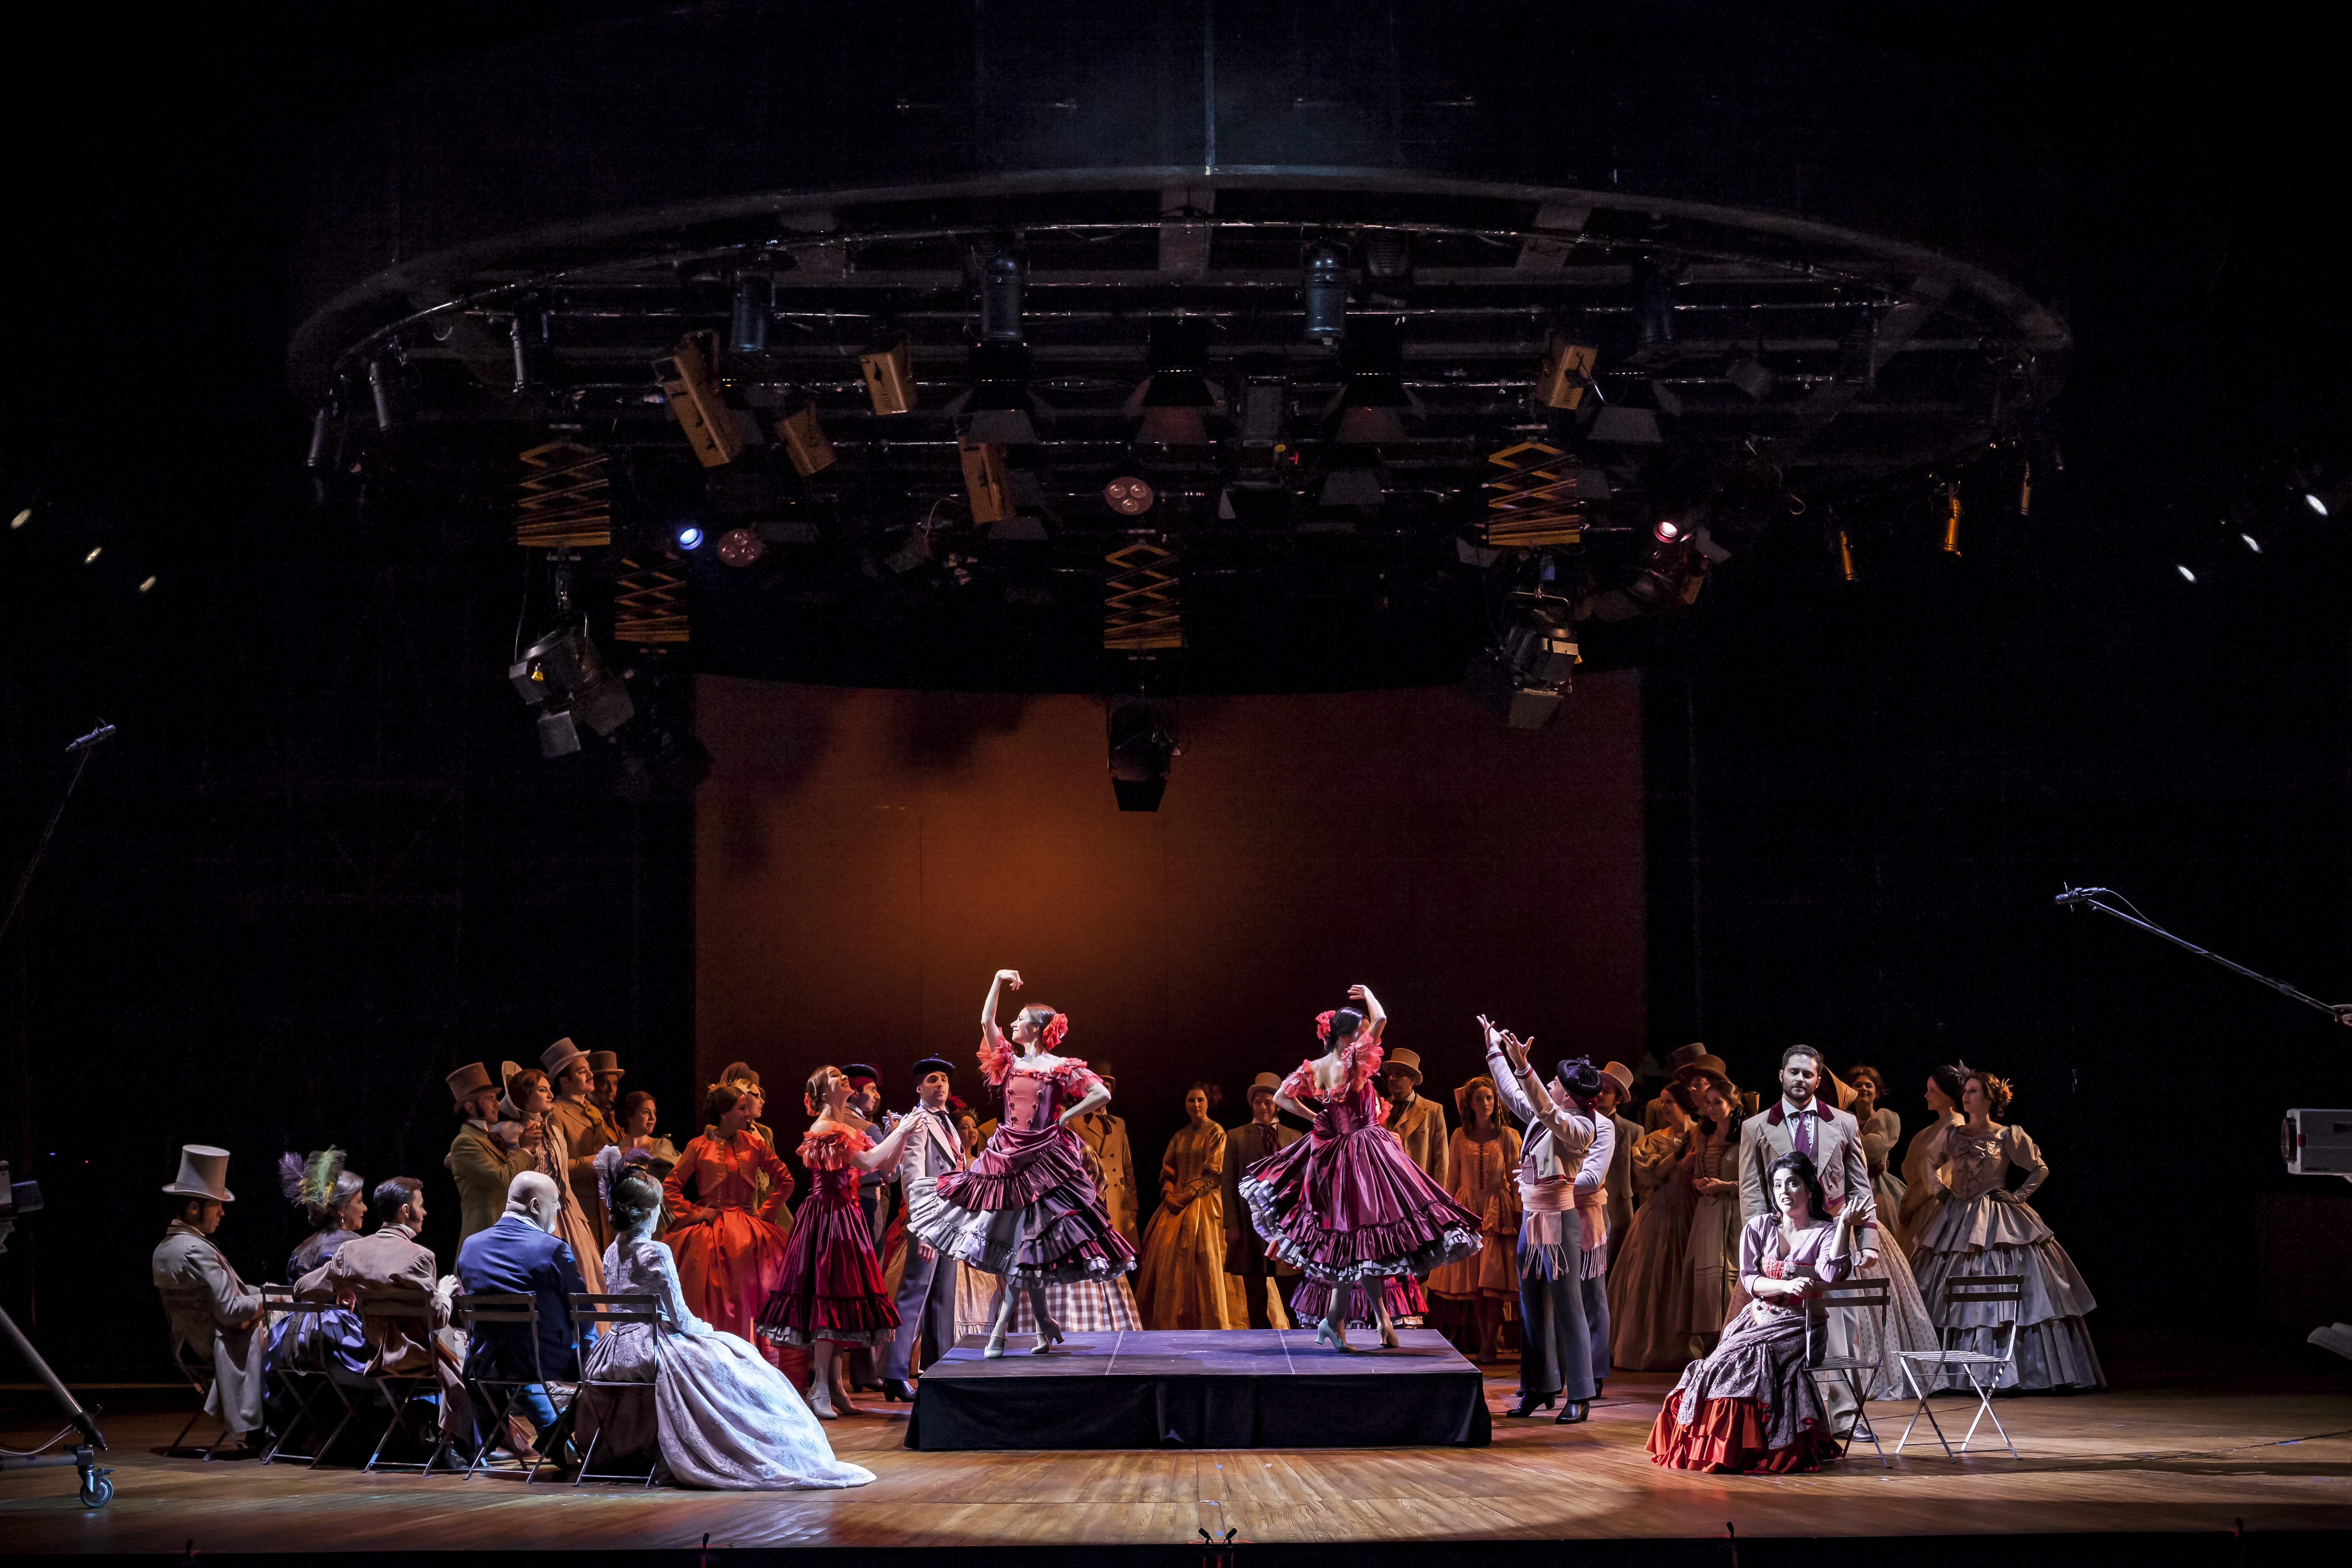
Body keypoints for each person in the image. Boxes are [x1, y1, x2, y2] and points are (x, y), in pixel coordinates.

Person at [576, 1170, 876, 1488]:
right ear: (650, 1213)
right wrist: (708, 1332)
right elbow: (681, 1319)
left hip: (612, 1349)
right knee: (737, 1356)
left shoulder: (612, 1250)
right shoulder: (656, 1252)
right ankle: (754, 1444)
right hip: (650, 1346)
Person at [905, 968, 1138, 1359]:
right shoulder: (1010, 1062)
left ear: (1036, 1029)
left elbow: (1101, 1094)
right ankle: (1045, 1324)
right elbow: (987, 1021)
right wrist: (997, 980)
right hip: (1006, 1157)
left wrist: (1067, 1117)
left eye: (1020, 1020)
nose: (1013, 1024)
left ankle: (1001, 1331)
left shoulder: (1060, 1066)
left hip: (1045, 1160)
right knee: (1020, 1247)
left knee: (1027, 1246)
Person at [1241, 985, 1481, 1352]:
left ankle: (1358, 1321)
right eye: (1360, 1031)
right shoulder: (1351, 1060)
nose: (1366, 1035)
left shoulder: (1315, 1068)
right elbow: (1382, 1017)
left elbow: (1280, 1097)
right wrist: (1369, 993)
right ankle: (1344, 1321)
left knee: (1356, 1242)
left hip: (1337, 1156)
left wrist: (1313, 1116)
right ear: (1345, 1036)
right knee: (1360, 1238)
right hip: (1364, 1153)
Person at [1737, 1044, 1935, 1403]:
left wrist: (1869, 1240)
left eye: (1808, 1074)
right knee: (1779, 1327)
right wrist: (1764, 1242)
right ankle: (1788, 1409)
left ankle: (1846, 1415)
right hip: (1784, 1241)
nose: (1800, 1079)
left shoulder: (1843, 1123)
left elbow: (1860, 1185)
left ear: (1818, 1080)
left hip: (1834, 1235)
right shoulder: (1757, 1127)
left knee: (1844, 1327)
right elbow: (1752, 1191)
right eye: (1794, 1072)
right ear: (1781, 1076)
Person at [1646, 1151, 1856, 1473]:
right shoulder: (1759, 1227)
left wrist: (1844, 1225)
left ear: (1809, 1189)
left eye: (1793, 1183)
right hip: (1757, 1318)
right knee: (1717, 1365)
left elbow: (1832, 1274)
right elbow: (1750, 1280)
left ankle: (1747, 1451)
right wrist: (1785, 1285)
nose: (1785, 1191)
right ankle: (1718, 1448)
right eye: (1778, 1185)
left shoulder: (1824, 1233)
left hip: (1801, 1326)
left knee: (1751, 1362)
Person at [1909, 1068, 2105, 1390]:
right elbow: (1929, 1161)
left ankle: (2017, 1370)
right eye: (1965, 1091)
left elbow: (2039, 1167)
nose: (1966, 1096)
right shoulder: (1952, 1134)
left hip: (1996, 1215)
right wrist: (1939, 1190)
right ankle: (1949, 1371)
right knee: (1943, 1283)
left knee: (2010, 1287)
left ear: (1990, 1099)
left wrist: (2017, 1196)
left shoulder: (2007, 1135)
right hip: (1955, 1218)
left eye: (1974, 1091)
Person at [756, 1066, 919, 1416]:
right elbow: (869, 1160)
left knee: (841, 1297)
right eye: (833, 1075)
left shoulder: (846, 1128)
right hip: (827, 1217)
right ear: (821, 1093)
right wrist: (903, 1130)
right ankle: (819, 1389)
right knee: (828, 1295)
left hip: (847, 1214)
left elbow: (887, 1170)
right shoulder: (826, 1128)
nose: (842, 1076)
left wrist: (899, 1135)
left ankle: (835, 1388)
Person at [1480, 1022, 1610, 1421]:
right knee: (1531, 1305)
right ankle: (1539, 1387)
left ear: (1567, 1095)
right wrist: (1495, 1052)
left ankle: (1581, 1394)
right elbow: (1514, 1096)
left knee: (1569, 1307)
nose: (1549, 1085)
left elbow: (1548, 1112)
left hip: (1560, 1221)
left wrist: (1525, 1068)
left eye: (1554, 1082)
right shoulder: (1545, 1116)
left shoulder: (1581, 1127)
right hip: (1532, 1220)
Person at [1608, 1060, 1741, 1368]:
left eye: (1670, 1102)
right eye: (1662, 1103)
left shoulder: (1706, 1132)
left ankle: (1707, 1347)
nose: (1664, 1108)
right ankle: (1654, 1348)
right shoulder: (1656, 1139)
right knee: (1655, 1275)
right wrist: (1678, 1157)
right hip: (1664, 1209)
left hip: (1700, 1209)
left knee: (1700, 1276)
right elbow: (1647, 1175)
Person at [456, 1172, 590, 1468]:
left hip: (486, 1362)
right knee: (607, 1365)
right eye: (555, 1203)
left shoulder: (471, 1246)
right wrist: (589, 1351)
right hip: (545, 1361)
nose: (559, 1209)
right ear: (535, 1205)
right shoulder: (551, 1248)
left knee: (517, 1351)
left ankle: (552, 1442)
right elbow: (583, 1309)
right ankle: (562, 1440)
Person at [322, 1177, 469, 1443]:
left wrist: (342, 1287)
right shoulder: (420, 1256)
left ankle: (480, 1441)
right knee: (473, 1354)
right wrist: (444, 1293)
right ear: (406, 1211)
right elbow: (437, 1318)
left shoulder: (351, 1250)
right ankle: (474, 1443)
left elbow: (303, 1287)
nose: (425, 1212)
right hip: (416, 1358)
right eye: (421, 1206)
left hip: (374, 1355)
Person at [663, 1080, 797, 1364]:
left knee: (755, 1290)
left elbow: (786, 1180)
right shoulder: (698, 1146)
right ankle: (711, 1359)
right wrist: (693, 1213)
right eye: (742, 1109)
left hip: (748, 1228)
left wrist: (765, 1211)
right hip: (710, 1229)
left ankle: (755, 1359)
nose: (748, 1114)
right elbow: (670, 1187)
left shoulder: (755, 1143)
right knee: (709, 1293)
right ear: (724, 1113)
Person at [152, 1145, 267, 1458]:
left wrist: (265, 1292)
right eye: (217, 1206)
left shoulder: (165, 1248)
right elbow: (230, 1310)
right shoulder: (197, 1250)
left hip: (189, 1347)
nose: (222, 1213)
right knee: (296, 1341)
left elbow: (223, 1295)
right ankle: (279, 1431)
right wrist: (268, 1301)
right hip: (218, 1346)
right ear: (194, 1208)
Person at [883, 1056, 967, 1402]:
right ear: (919, 1088)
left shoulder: (948, 1123)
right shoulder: (918, 1121)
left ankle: (938, 1369)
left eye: (944, 1079)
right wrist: (924, 1225)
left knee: (943, 1296)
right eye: (933, 1080)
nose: (940, 1084)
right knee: (914, 1291)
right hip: (930, 1219)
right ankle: (893, 1373)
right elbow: (914, 1178)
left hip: (951, 1219)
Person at [1426, 1074, 1520, 1364]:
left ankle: (1491, 1341)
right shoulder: (1459, 1135)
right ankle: (1485, 1340)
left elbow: (1516, 1177)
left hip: (1497, 1211)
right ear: (1470, 1104)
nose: (1485, 1103)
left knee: (1493, 1281)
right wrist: (1446, 1213)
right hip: (1467, 1209)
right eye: (1480, 1099)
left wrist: (1519, 1211)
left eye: (1490, 1098)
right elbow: (1452, 1177)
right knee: (1475, 1283)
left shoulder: (1507, 1135)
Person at [1136, 1083, 1239, 1330]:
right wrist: (1169, 1193)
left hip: (1205, 1202)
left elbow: (1215, 1174)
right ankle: (1169, 1321)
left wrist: (1187, 1196)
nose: (1196, 1105)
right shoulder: (1180, 1135)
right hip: (1175, 1202)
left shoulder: (1216, 1132)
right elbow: (1169, 1169)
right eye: (1191, 1100)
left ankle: (1211, 1320)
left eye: (1200, 1100)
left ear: (1208, 1102)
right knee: (1166, 1258)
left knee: (1207, 1257)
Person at [504, 1064, 606, 1295]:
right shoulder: (510, 1131)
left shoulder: (555, 1133)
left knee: (583, 1268)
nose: (550, 1094)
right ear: (525, 1096)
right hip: (533, 1213)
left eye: (549, 1089)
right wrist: (524, 1147)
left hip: (564, 1210)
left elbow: (563, 1176)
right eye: (542, 1090)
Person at [1222, 1073, 1302, 1330]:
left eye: (1269, 1102)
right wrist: (1232, 1224)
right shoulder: (1237, 1136)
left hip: (1285, 1224)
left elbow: (1302, 1181)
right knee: (1255, 1293)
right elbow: (1228, 1182)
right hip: (1251, 1223)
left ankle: (1299, 1337)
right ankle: (1261, 1339)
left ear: (1278, 1105)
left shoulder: (1294, 1136)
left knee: (1291, 1289)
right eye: (1258, 1103)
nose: (1263, 1107)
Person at [446, 1063, 535, 1250]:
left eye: (496, 1098)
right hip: (486, 1234)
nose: (498, 1104)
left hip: (505, 1232)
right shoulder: (465, 1142)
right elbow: (502, 1179)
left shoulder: (489, 1138)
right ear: (470, 1108)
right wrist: (525, 1149)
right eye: (489, 1099)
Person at [543, 1038, 616, 1256]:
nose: (591, 1075)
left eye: (589, 1069)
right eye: (582, 1071)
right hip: (580, 1207)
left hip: (604, 1205)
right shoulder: (555, 1114)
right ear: (565, 1081)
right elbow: (558, 1167)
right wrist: (598, 1161)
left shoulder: (593, 1111)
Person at [1893, 1064, 1965, 1253]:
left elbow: (1941, 1173)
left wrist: (1912, 1206)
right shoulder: (1935, 1127)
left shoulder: (1954, 1127)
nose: (1927, 1095)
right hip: (1921, 1202)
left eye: (1932, 1090)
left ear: (1948, 1094)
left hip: (1932, 1205)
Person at [1070, 1059, 1140, 1246]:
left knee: (1122, 1252)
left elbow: (1127, 1167)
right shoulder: (1076, 1122)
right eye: (1099, 1086)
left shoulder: (1119, 1124)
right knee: (1097, 1250)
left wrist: (1133, 1204)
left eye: (1107, 1087)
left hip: (1119, 1201)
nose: (1103, 1090)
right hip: (1093, 1198)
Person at [279, 1148, 367, 1281]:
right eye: (359, 1201)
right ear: (342, 1209)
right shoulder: (359, 1248)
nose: (365, 1208)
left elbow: (295, 1291)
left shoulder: (300, 1252)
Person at [1844, 1064, 1908, 1248]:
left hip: (1879, 1187)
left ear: (1877, 1092)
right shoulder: (1844, 1119)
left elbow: (1869, 1152)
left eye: (1869, 1085)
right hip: (1849, 1185)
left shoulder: (1886, 1119)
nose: (1863, 1089)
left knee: (1881, 1239)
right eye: (1858, 1085)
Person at [1380, 1048, 1449, 1190]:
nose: (1392, 1078)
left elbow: (1441, 1159)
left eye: (1399, 1074)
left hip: (1419, 1189)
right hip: (1388, 1187)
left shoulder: (1433, 1111)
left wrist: (1440, 1195)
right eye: (1391, 1073)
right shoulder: (1379, 1108)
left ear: (1412, 1080)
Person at [1598, 1062, 1643, 1257]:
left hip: (1617, 1209)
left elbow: (1638, 1176)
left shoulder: (1633, 1131)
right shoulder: (1579, 1123)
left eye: (1606, 1091)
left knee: (1614, 1263)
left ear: (1618, 1100)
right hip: (1581, 1204)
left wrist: (1623, 1190)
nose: (1599, 1094)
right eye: (1598, 1089)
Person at [588, 1050, 628, 1132]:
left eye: (615, 1084)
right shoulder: (584, 1116)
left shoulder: (614, 1117)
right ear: (591, 1084)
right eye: (604, 1084)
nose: (612, 1091)